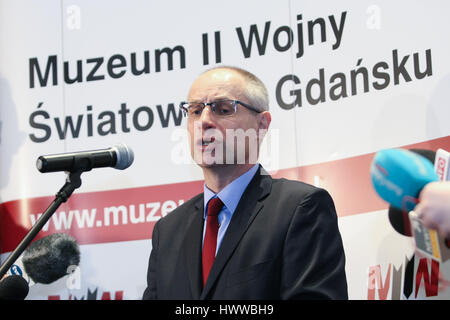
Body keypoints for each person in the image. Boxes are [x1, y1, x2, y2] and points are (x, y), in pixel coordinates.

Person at [142, 66, 348, 300]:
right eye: (196, 110)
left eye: (223, 109)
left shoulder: (300, 209)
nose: (204, 121)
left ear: (262, 124)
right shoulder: (168, 231)